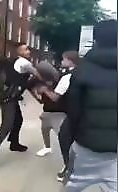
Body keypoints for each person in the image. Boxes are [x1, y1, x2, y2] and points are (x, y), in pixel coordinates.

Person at [65, 19, 117, 192]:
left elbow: (73, 111)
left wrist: (75, 136)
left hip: (88, 144)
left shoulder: (82, 69)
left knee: (75, 183)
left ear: (96, 40)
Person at [0, 43, 42, 175]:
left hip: (9, 97)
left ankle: (14, 143)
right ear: (19, 52)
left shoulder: (16, 63)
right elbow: (38, 75)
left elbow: (23, 83)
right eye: (25, 49)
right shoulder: (23, 62)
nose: (29, 51)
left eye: (29, 49)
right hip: (9, 99)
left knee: (18, 120)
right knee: (6, 126)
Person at [37, 51, 78, 182]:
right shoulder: (82, 73)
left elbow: (55, 97)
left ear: (70, 61)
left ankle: (69, 168)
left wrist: (45, 90)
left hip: (70, 112)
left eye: (64, 59)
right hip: (83, 110)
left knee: (65, 140)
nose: (61, 61)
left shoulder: (67, 77)